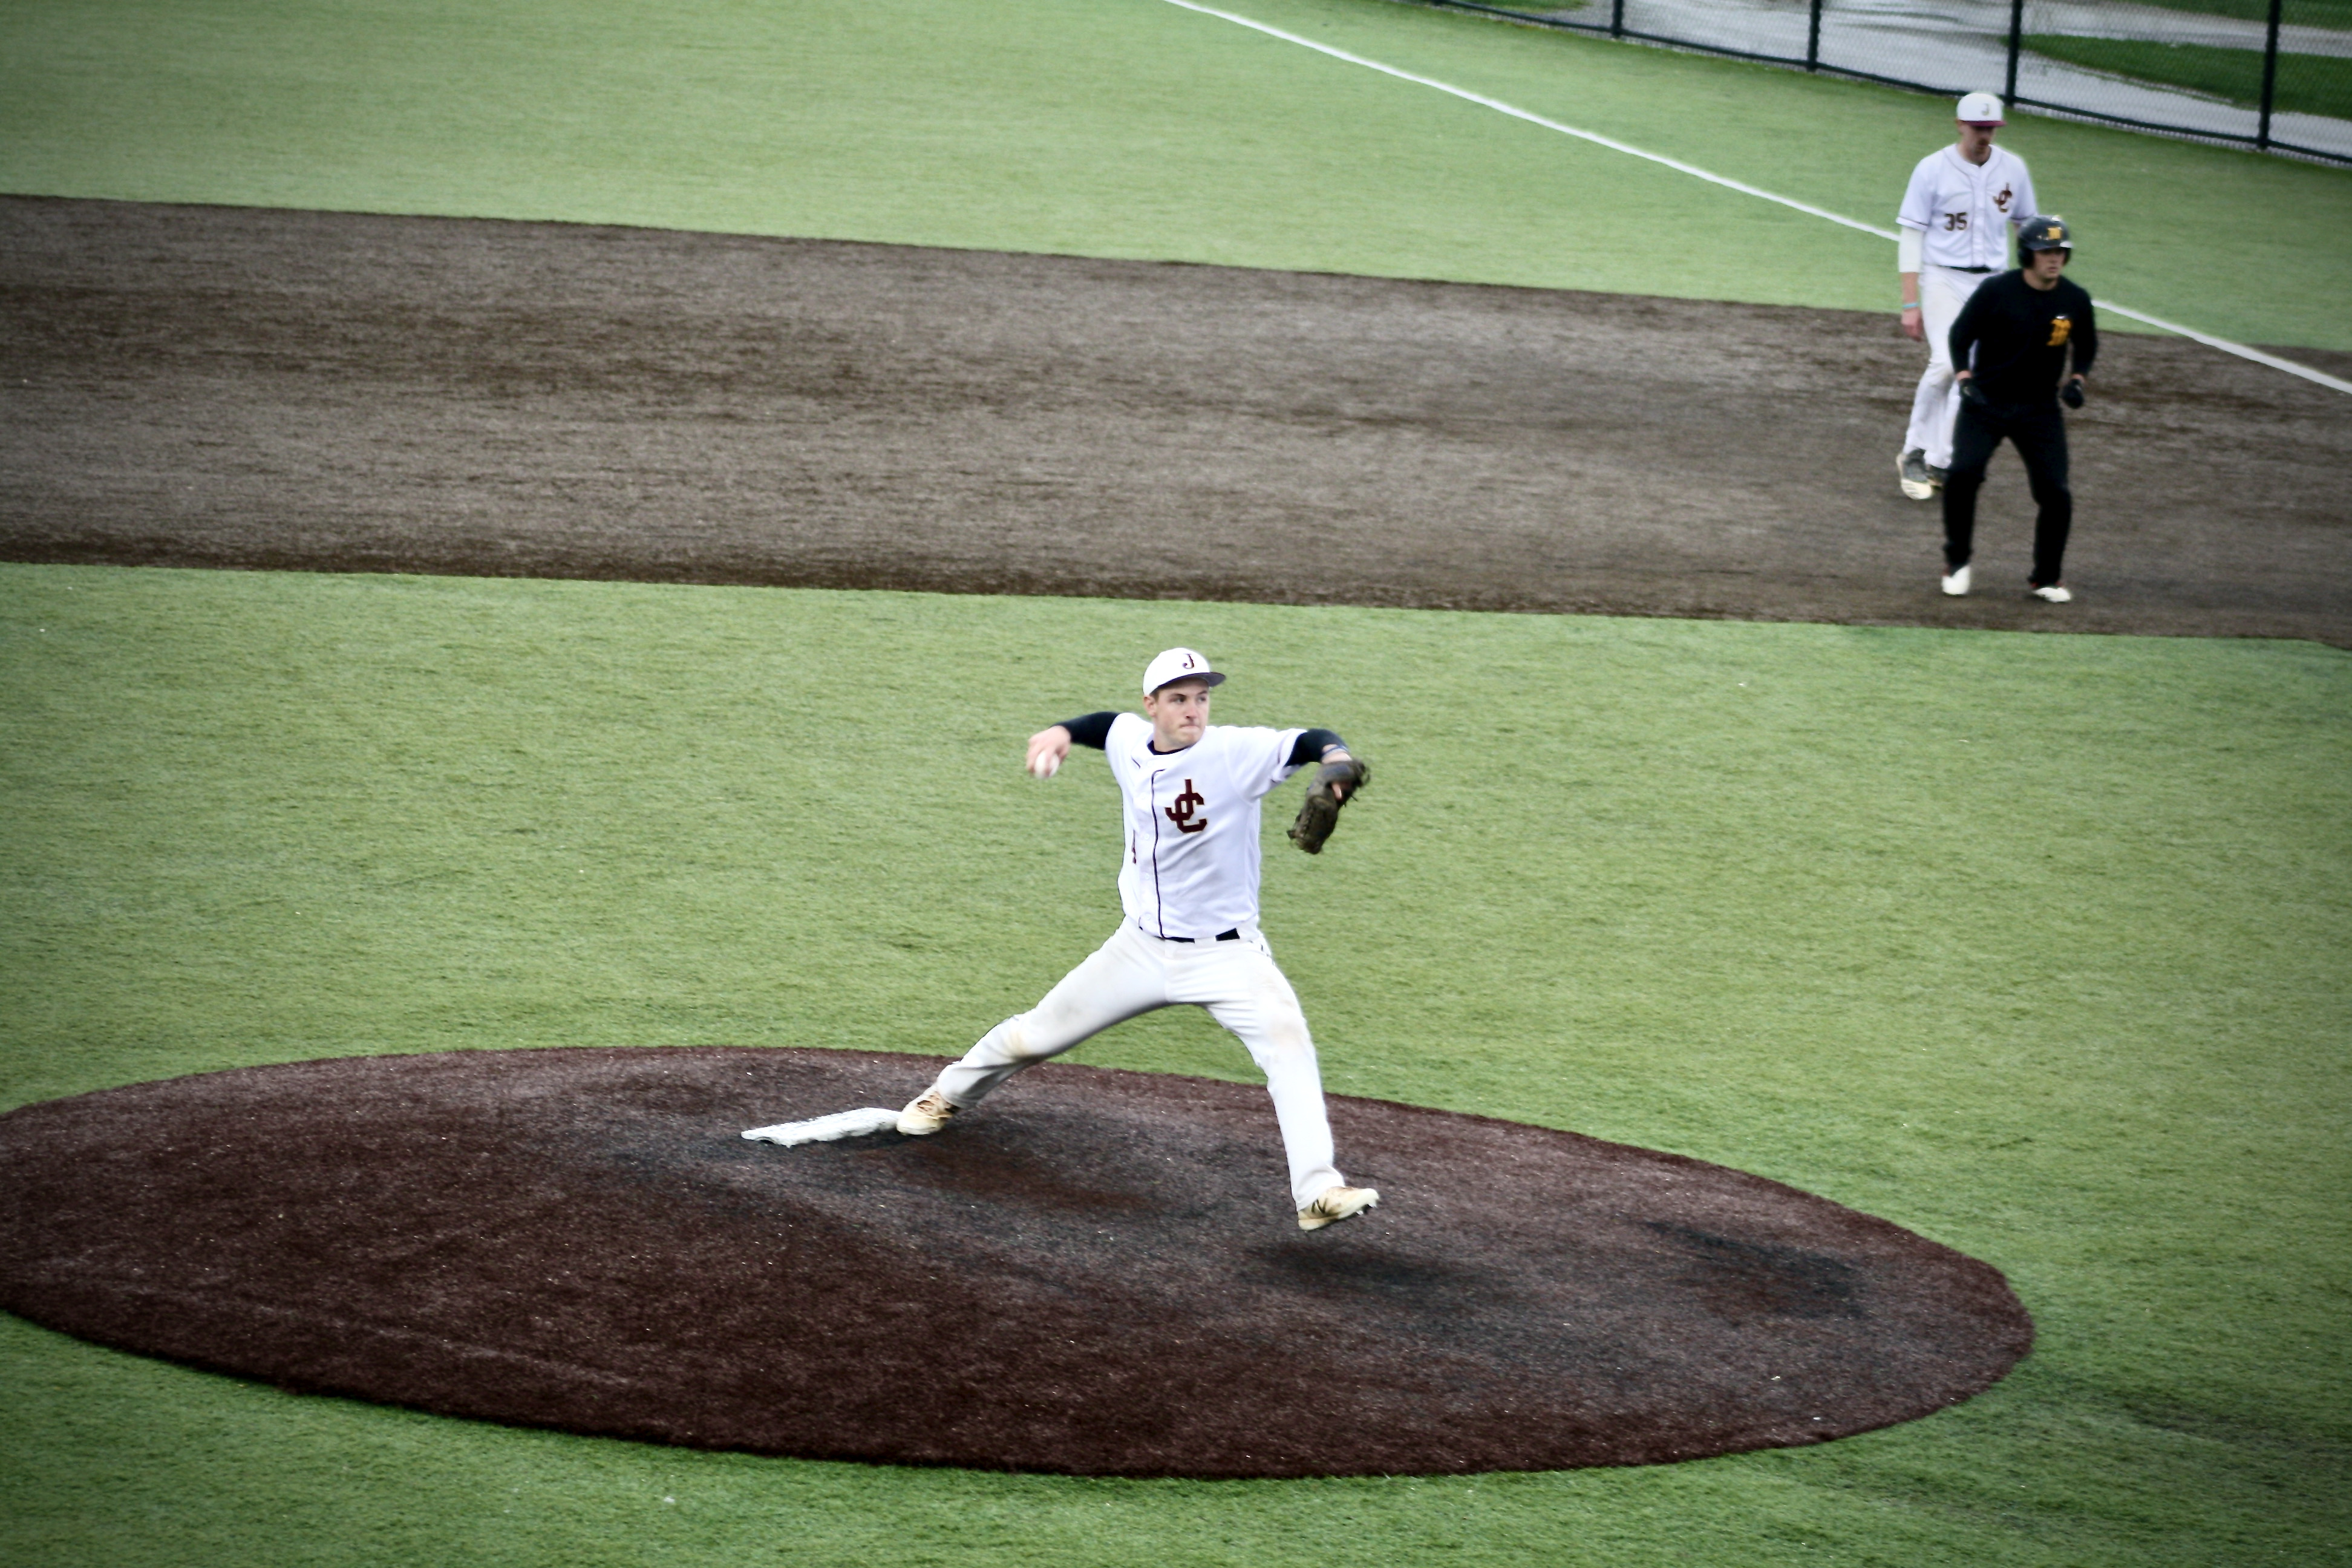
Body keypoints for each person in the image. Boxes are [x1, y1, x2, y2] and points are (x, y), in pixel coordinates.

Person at [893, 647, 1383, 1232]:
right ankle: (945, 1094)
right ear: (1151, 706)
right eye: (1178, 699)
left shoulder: (1235, 753)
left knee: (1288, 1042)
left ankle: (1319, 1191)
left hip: (1226, 955)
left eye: (1202, 697)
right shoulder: (1132, 740)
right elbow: (1104, 727)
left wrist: (1336, 760)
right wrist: (1059, 733)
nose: (1193, 709)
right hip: (1140, 949)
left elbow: (1309, 741)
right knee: (1035, 1036)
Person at [1939, 216, 2097, 602]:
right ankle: (1957, 561)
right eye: (2046, 252)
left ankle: (2046, 578)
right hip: (1987, 404)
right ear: (2027, 254)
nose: (2054, 259)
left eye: (2060, 252)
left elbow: (2087, 345)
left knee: (2055, 492)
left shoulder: (2074, 300)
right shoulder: (1997, 291)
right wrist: (1964, 380)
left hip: (2040, 410)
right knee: (1962, 474)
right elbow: (1960, 335)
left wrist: (2078, 379)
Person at [1896, 92, 2039, 501]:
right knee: (1946, 364)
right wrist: (1911, 303)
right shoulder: (1932, 170)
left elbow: (2027, 228)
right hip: (1944, 280)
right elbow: (1911, 236)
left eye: (1991, 129)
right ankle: (1914, 452)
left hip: (1993, 285)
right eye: (1978, 128)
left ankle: (1942, 460)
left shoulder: (2013, 168)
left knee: (1973, 376)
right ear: (1959, 124)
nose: (1985, 136)